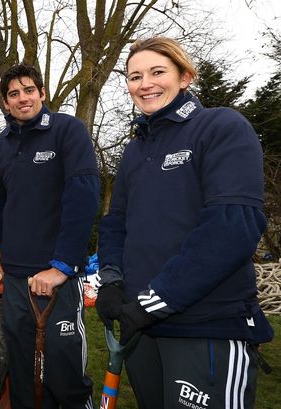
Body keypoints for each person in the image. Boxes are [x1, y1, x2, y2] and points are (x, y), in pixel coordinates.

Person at [96, 37, 274, 409]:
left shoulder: (221, 126)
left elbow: (232, 225)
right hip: (140, 329)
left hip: (206, 324)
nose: (145, 83)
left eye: (157, 72)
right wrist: (112, 280)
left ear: (185, 76)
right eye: (134, 76)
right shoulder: (136, 148)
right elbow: (116, 224)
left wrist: (155, 301)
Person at [0, 63, 100, 409]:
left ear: (42, 93)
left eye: (29, 90)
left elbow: (83, 196)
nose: (23, 99)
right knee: (22, 371)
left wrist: (62, 266)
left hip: (56, 277)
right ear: (6, 102)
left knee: (64, 374)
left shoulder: (68, 130)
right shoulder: (2, 144)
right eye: (14, 94)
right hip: (15, 277)